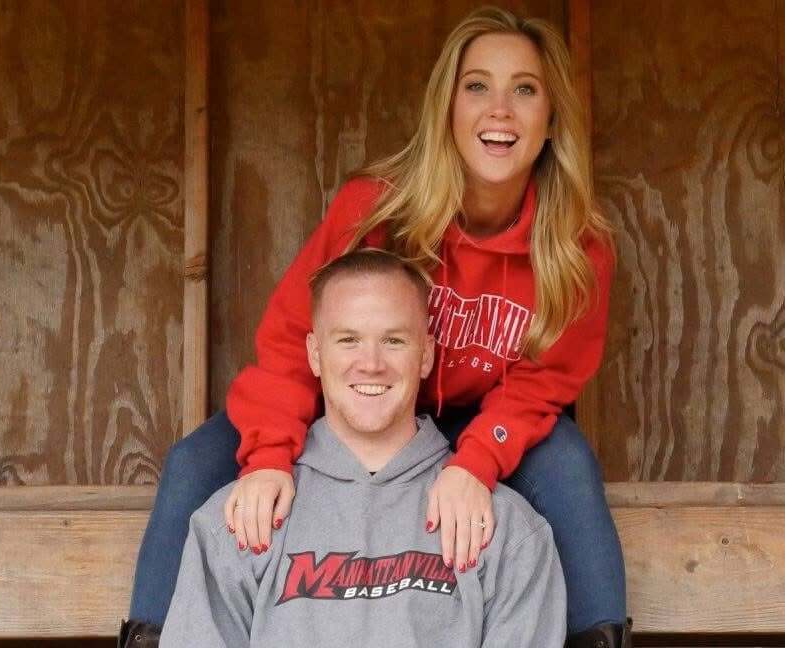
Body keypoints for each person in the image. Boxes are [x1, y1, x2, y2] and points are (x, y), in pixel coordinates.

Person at [125, 7, 630, 648]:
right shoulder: (379, 205)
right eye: (477, 86)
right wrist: (269, 458)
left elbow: (544, 383)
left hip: (479, 422)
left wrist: (474, 466)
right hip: (365, 404)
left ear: (551, 115)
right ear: (445, 106)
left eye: (524, 89)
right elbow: (290, 343)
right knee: (196, 462)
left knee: (568, 466)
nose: (499, 110)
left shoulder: (576, 245)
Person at [158, 249, 567, 647]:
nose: (370, 363)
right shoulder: (245, 520)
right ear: (314, 355)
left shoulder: (504, 530)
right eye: (349, 340)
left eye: (393, 341)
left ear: (426, 355)